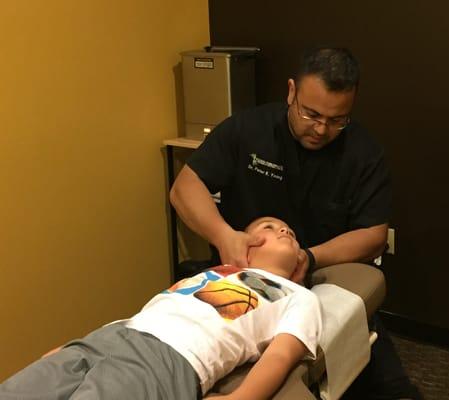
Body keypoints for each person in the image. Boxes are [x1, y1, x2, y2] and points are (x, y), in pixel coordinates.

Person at [170, 47, 421, 399]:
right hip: (245, 282)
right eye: (311, 114)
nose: (321, 129)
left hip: (320, 277)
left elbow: (374, 235)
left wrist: (310, 257)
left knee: (394, 390)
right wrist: (224, 235)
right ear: (291, 92)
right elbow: (184, 188)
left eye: (337, 120)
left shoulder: (363, 153)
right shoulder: (248, 129)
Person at [0, 217, 321, 400]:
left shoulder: (294, 294)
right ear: (244, 243)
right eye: (269, 226)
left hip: (166, 360)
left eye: (291, 233)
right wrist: (73, 345)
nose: (283, 231)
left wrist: (241, 398)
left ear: (298, 268)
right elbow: (157, 313)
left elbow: (281, 354)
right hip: (110, 338)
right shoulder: (219, 271)